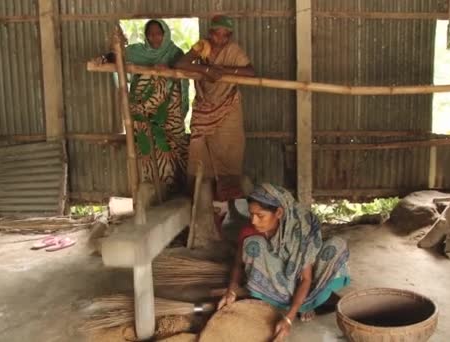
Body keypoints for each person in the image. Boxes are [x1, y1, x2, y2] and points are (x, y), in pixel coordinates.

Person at [217, 184, 350, 341]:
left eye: (260, 216)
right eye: (251, 214)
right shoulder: (250, 233)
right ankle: (291, 304)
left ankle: (307, 303)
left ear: (279, 213)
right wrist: (231, 290)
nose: (253, 221)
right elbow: (238, 264)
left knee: (336, 245)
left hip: (304, 280)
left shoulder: (300, 231)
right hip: (278, 285)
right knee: (254, 244)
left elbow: (306, 279)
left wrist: (289, 318)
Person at [99, 19, 189, 195]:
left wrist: (166, 71)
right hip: (144, 111)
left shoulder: (175, 53)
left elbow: (182, 74)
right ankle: (151, 192)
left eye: (158, 33)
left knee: (171, 152)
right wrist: (104, 58)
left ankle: (177, 191)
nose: (154, 37)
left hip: (168, 111)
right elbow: (117, 56)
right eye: (150, 34)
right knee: (146, 151)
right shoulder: (137, 52)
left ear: (165, 34)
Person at [174, 15, 254, 209]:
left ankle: (228, 203)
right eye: (217, 35)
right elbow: (180, 65)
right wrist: (206, 70)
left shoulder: (233, 50)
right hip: (204, 107)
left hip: (229, 107)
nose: (220, 40)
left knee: (230, 148)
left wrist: (224, 70)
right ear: (210, 34)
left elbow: (251, 72)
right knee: (199, 150)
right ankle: (201, 201)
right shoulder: (202, 47)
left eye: (225, 36)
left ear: (229, 36)